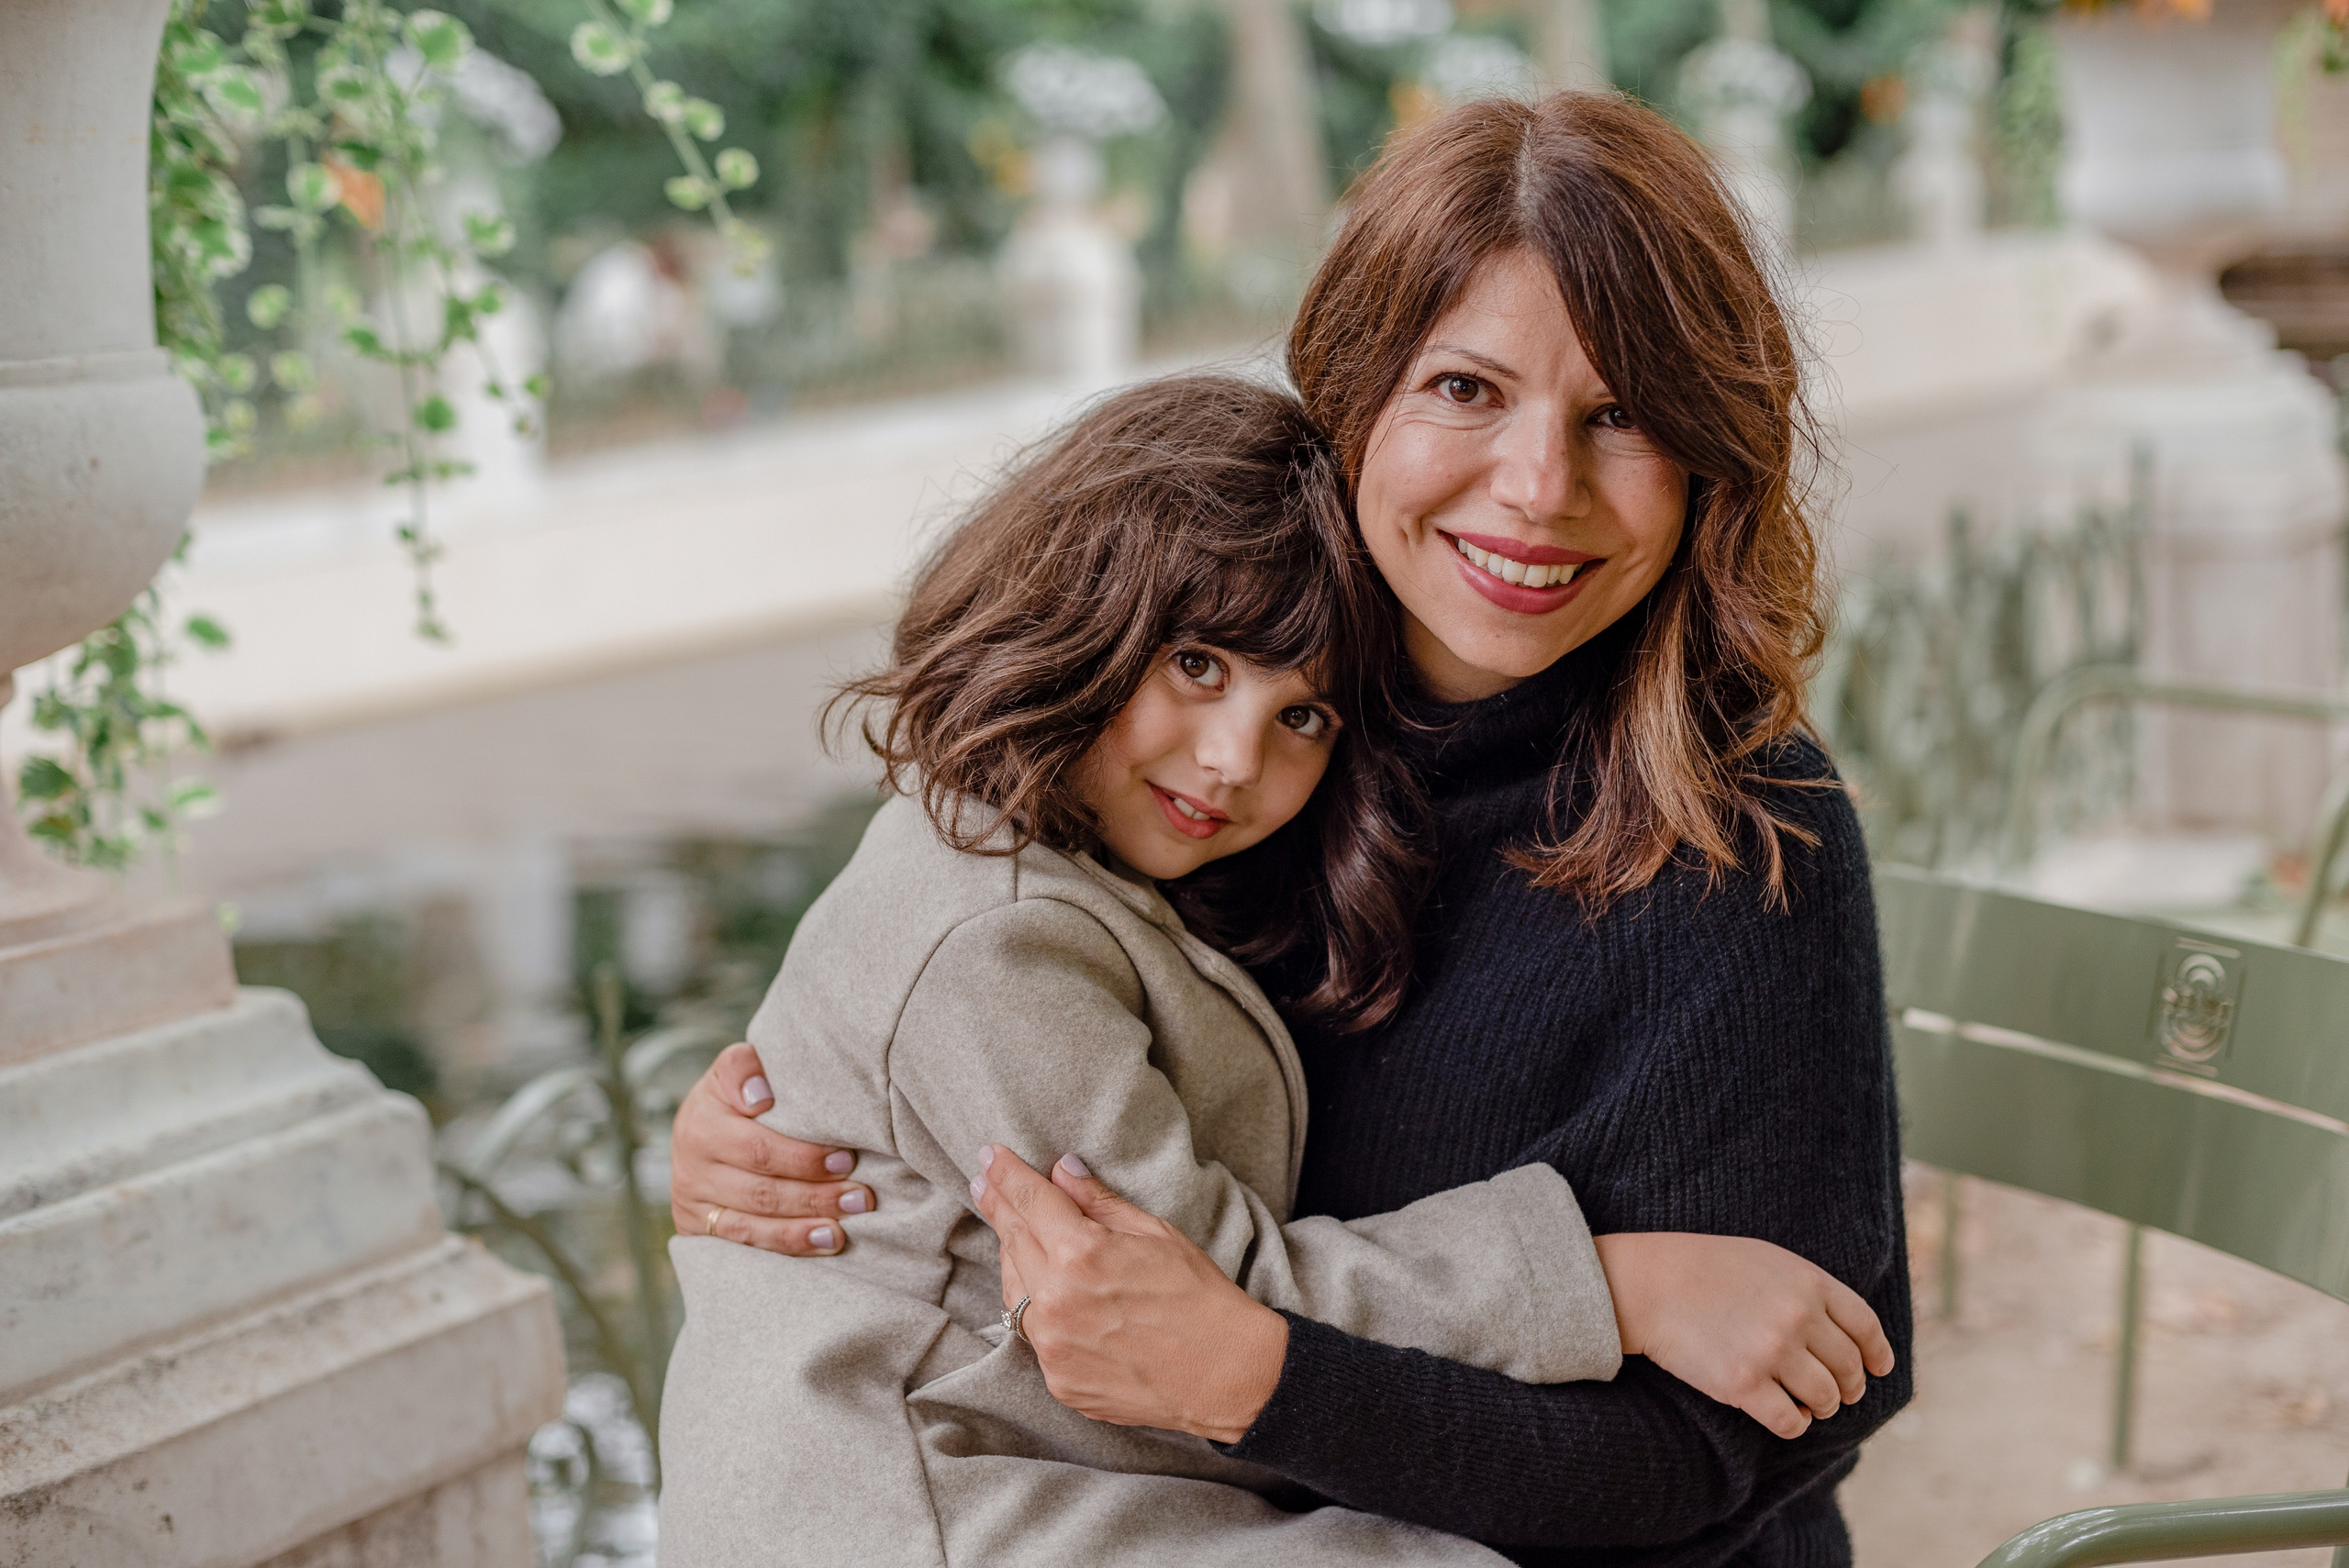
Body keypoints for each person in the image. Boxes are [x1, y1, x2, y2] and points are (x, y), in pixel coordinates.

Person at [667, 89, 1913, 1567]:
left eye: (1623, 414)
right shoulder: (1209, 743)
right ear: (1355, 390)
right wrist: (799, 1136)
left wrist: (1256, 1378)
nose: (1536, 487)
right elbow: (963, 977)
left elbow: (1730, 1448)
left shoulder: (1740, 840)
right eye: (1465, 388)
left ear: (1711, 456)